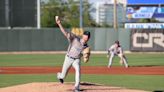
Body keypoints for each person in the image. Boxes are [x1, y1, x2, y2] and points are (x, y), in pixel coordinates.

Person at [55, 16, 91, 91]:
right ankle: (59, 76)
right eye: (85, 35)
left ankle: (76, 87)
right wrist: (59, 24)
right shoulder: (75, 39)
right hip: (68, 58)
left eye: (87, 36)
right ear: (83, 35)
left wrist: (86, 56)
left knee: (78, 70)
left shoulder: (86, 47)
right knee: (63, 76)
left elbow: (86, 58)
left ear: (89, 38)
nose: (86, 37)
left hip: (76, 60)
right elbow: (65, 33)